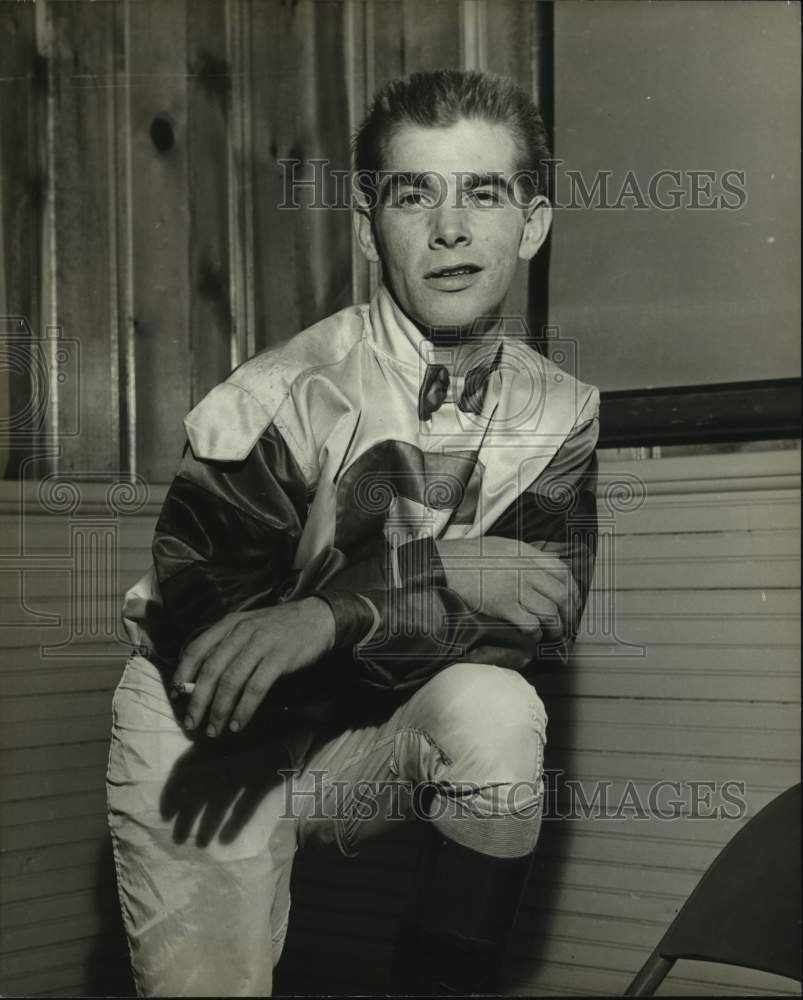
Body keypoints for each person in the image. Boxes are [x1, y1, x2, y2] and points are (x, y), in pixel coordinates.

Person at [107, 68, 599, 996]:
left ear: (531, 223)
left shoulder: (562, 409)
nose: (450, 230)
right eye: (415, 195)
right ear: (369, 227)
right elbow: (216, 630)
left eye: (483, 192)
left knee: (498, 715)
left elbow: (544, 612)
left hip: (364, 725)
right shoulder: (277, 392)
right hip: (206, 726)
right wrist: (428, 575)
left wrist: (336, 613)